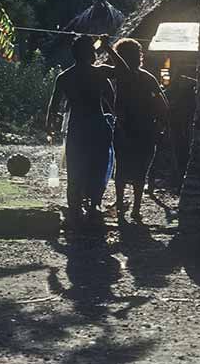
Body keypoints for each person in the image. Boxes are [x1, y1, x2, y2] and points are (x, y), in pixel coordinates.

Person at [45, 35, 121, 228]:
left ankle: (75, 208)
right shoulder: (100, 73)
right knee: (97, 167)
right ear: (91, 53)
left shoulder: (65, 77)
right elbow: (124, 72)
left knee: (75, 168)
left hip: (77, 127)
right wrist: (108, 47)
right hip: (97, 125)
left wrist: (50, 127)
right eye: (95, 51)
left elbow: (53, 107)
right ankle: (94, 206)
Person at [111, 37, 169, 223]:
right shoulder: (147, 78)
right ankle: (135, 209)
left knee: (121, 168)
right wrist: (160, 124)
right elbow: (163, 105)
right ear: (139, 56)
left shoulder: (118, 78)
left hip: (124, 129)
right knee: (140, 171)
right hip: (145, 129)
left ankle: (120, 206)